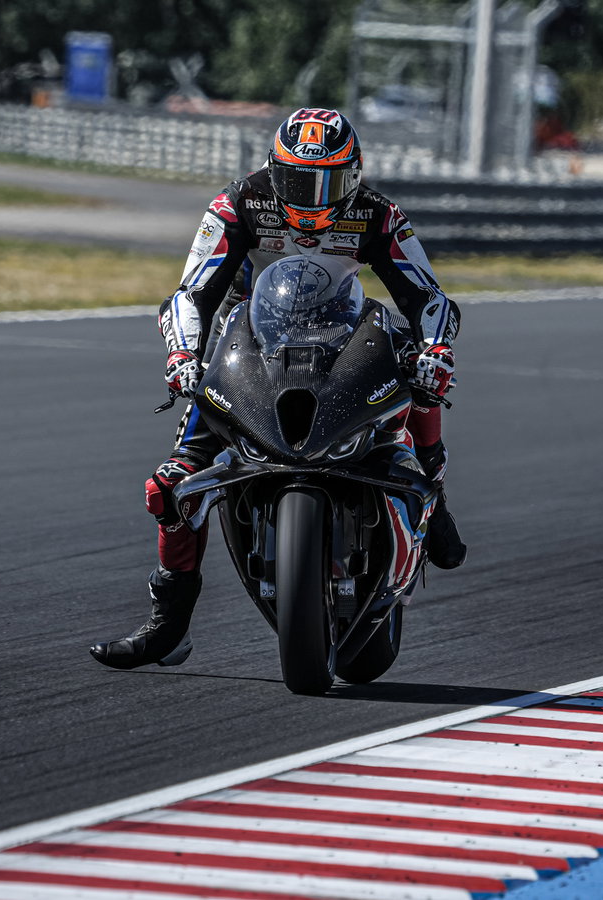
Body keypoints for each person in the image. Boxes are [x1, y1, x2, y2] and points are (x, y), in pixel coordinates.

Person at [89, 107, 466, 671]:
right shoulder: (238, 201)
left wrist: (436, 350)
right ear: (273, 168)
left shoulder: (379, 215)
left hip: (341, 332)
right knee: (170, 485)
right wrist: (183, 356)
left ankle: (432, 493)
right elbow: (191, 292)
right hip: (250, 339)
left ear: (355, 176)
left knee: (417, 372)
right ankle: (169, 625)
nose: (312, 198)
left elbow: (428, 297)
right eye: (297, 181)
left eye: (329, 182)